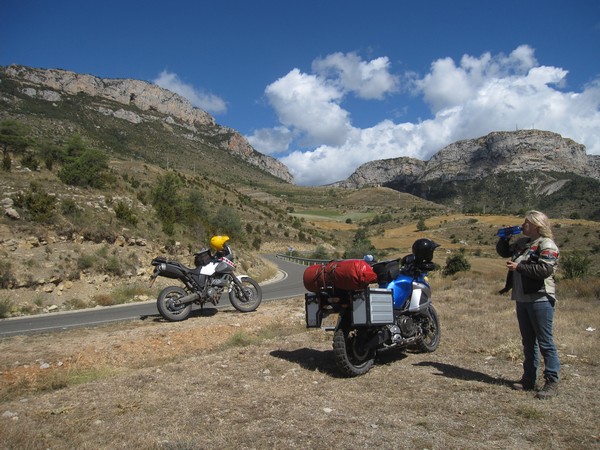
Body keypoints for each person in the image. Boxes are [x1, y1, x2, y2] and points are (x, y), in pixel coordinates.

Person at [496, 211, 560, 400]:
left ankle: (551, 381)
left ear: (537, 225)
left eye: (527, 223)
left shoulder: (547, 244)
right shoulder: (523, 244)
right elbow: (504, 252)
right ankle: (529, 379)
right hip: (522, 298)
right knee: (528, 341)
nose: (523, 225)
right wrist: (504, 239)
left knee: (545, 341)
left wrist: (519, 267)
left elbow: (544, 269)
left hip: (540, 298)